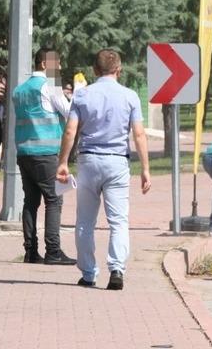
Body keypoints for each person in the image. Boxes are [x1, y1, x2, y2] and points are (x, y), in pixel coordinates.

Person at [57, 49, 151, 290]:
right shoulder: (130, 97)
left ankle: (88, 273)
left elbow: (70, 131)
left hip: (89, 161)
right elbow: (139, 134)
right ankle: (117, 269)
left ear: (94, 70)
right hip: (118, 162)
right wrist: (145, 169)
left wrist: (63, 163)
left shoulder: (82, 96)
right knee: (118, 220)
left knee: (85, 222)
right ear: (118, 70)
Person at [13, 50, 75, 266]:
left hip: (23, 152)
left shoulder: (19, 90)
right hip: (46, 152)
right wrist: (76, 96)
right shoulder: (50, 86)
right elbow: (69, 112)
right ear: (43, 63)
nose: (59, 66)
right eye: (56, 62)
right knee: (54, 199)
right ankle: (53, 251)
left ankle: (30, 251)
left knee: (30, 202)